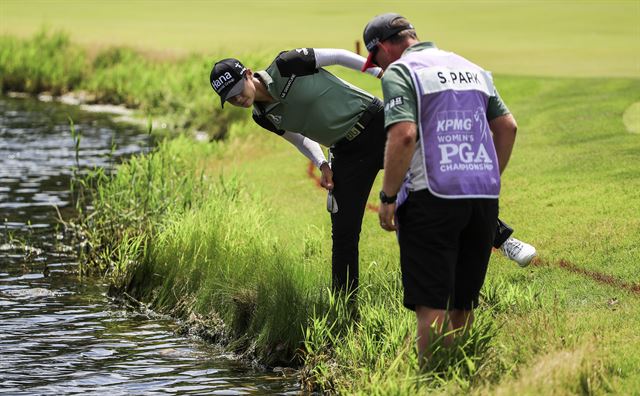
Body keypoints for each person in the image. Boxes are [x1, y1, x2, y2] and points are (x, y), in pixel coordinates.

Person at [208, 48, 535, 298]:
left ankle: (504, 240)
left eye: (237, 89)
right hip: (346, 153)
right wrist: (322, 163)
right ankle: (343, 306)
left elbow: (340, 56)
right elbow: (299, 137)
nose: (237, 99)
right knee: (344, 230)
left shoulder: (288, 63)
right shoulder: (262, 116)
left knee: (436, 183)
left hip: (377, 123)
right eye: (229, 98)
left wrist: (385, 76)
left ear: (248, 74)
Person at [361, 13, 524, 360]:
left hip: (431, 196)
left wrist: (388, 197)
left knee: (432, 304)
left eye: (376, 60)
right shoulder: (471, 67)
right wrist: (488, 176)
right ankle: (457, 377)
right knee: (462, 304)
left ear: (385, 47)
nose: (379, 68)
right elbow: (507, 127)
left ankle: (432, 383)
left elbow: (404, 135)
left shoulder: (401, 72)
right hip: (482, 196)